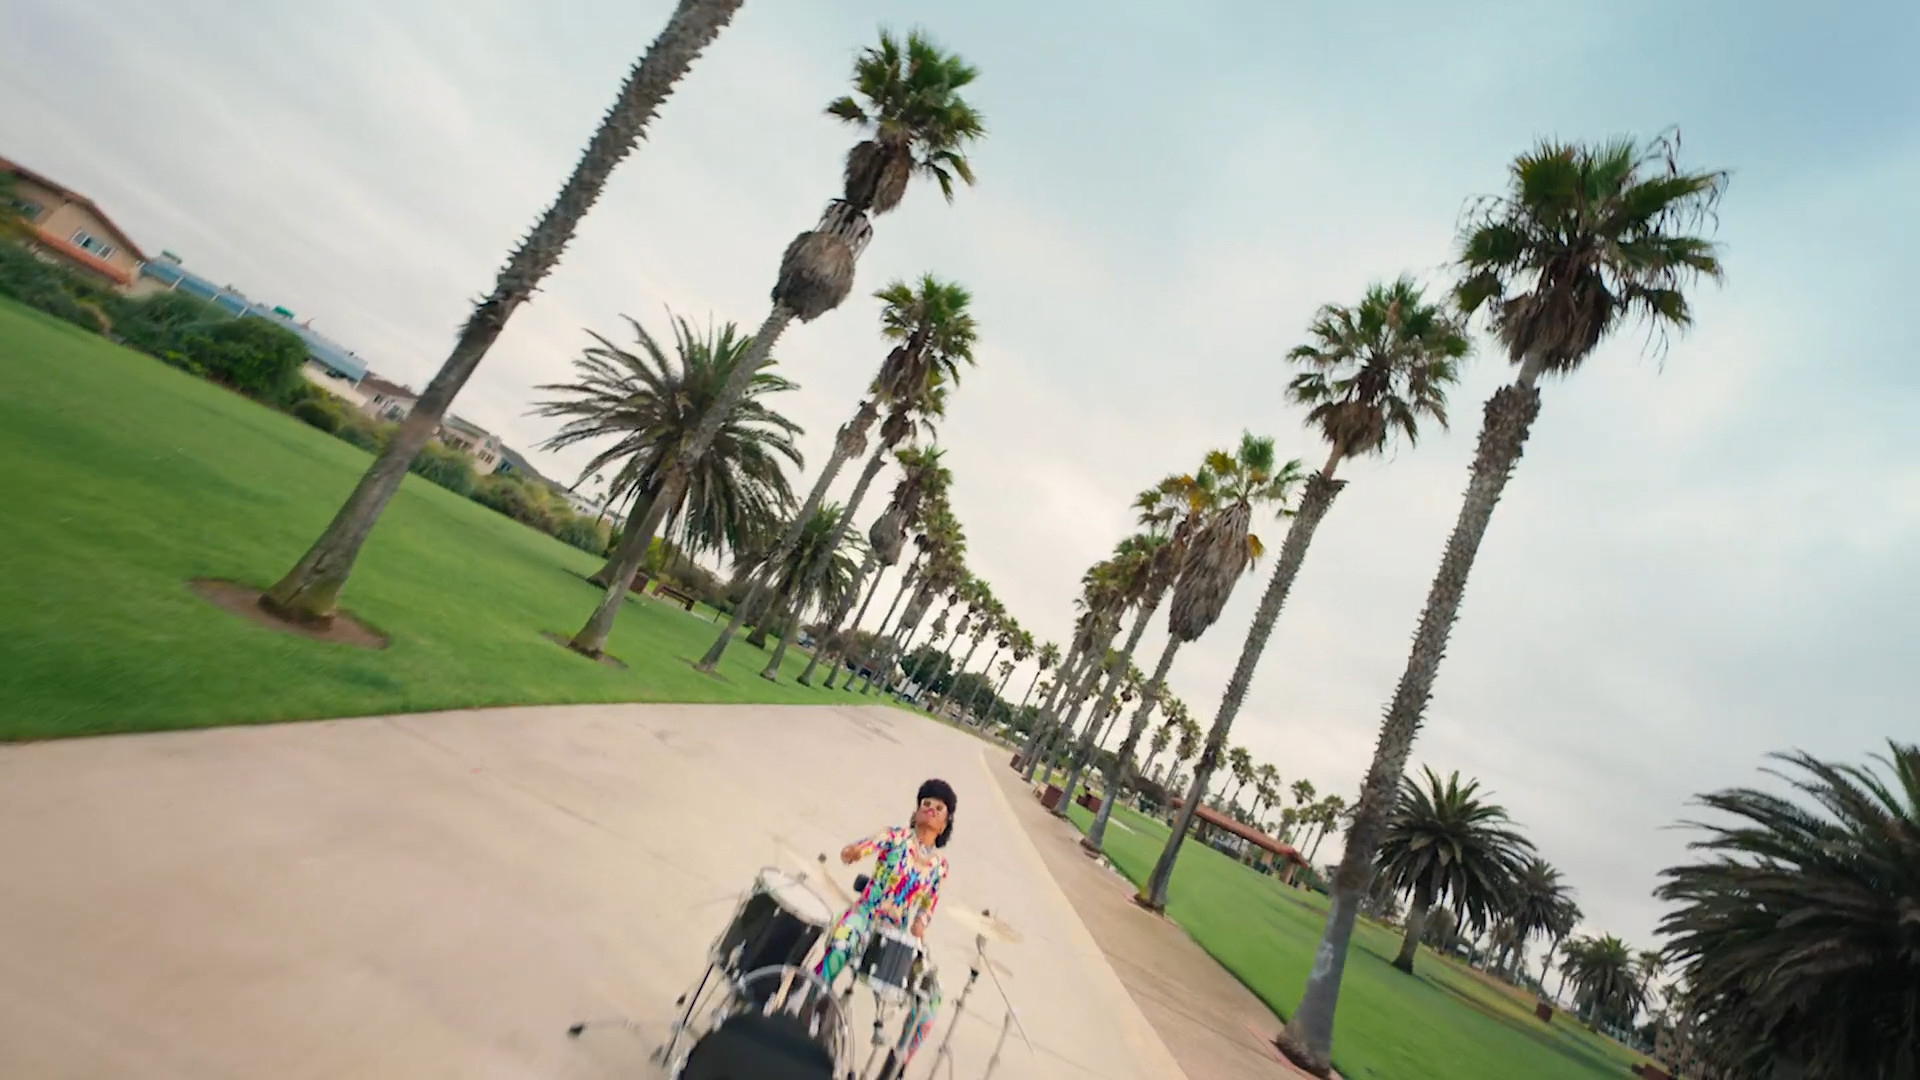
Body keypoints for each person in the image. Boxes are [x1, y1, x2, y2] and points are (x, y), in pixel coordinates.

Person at [814, 779, 955, 1075]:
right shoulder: (895, 837)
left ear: (945, 823)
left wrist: (920, 922)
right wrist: (853, 851)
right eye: (925, 804)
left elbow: (929, 905)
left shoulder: (940, 867)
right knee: (840, 946)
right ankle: (803, 1006)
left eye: (938, 807)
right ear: (916, 812)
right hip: (866, 916)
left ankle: (896, 1065)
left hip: (900, 936)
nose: (930, 809)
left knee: (931, 998)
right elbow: (866, 845)